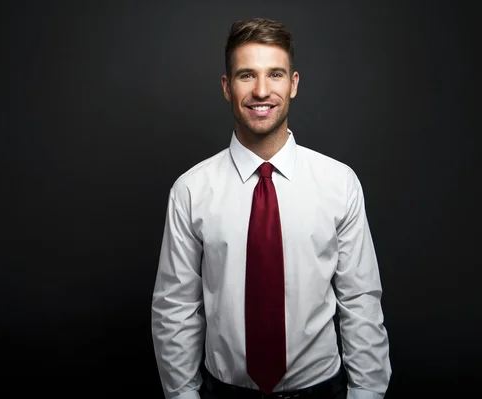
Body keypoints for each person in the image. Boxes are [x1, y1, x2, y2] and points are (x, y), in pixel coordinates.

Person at [151, 17, 391, 399]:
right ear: (227, 87)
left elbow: (360, 299)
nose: (261, 91)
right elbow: (175, 307)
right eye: (247, 76)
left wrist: (367, 392)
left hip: (321, 391)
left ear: (293, 84)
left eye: (275, 74)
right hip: (224, 391)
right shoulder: (191, 190)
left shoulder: (339, 182)